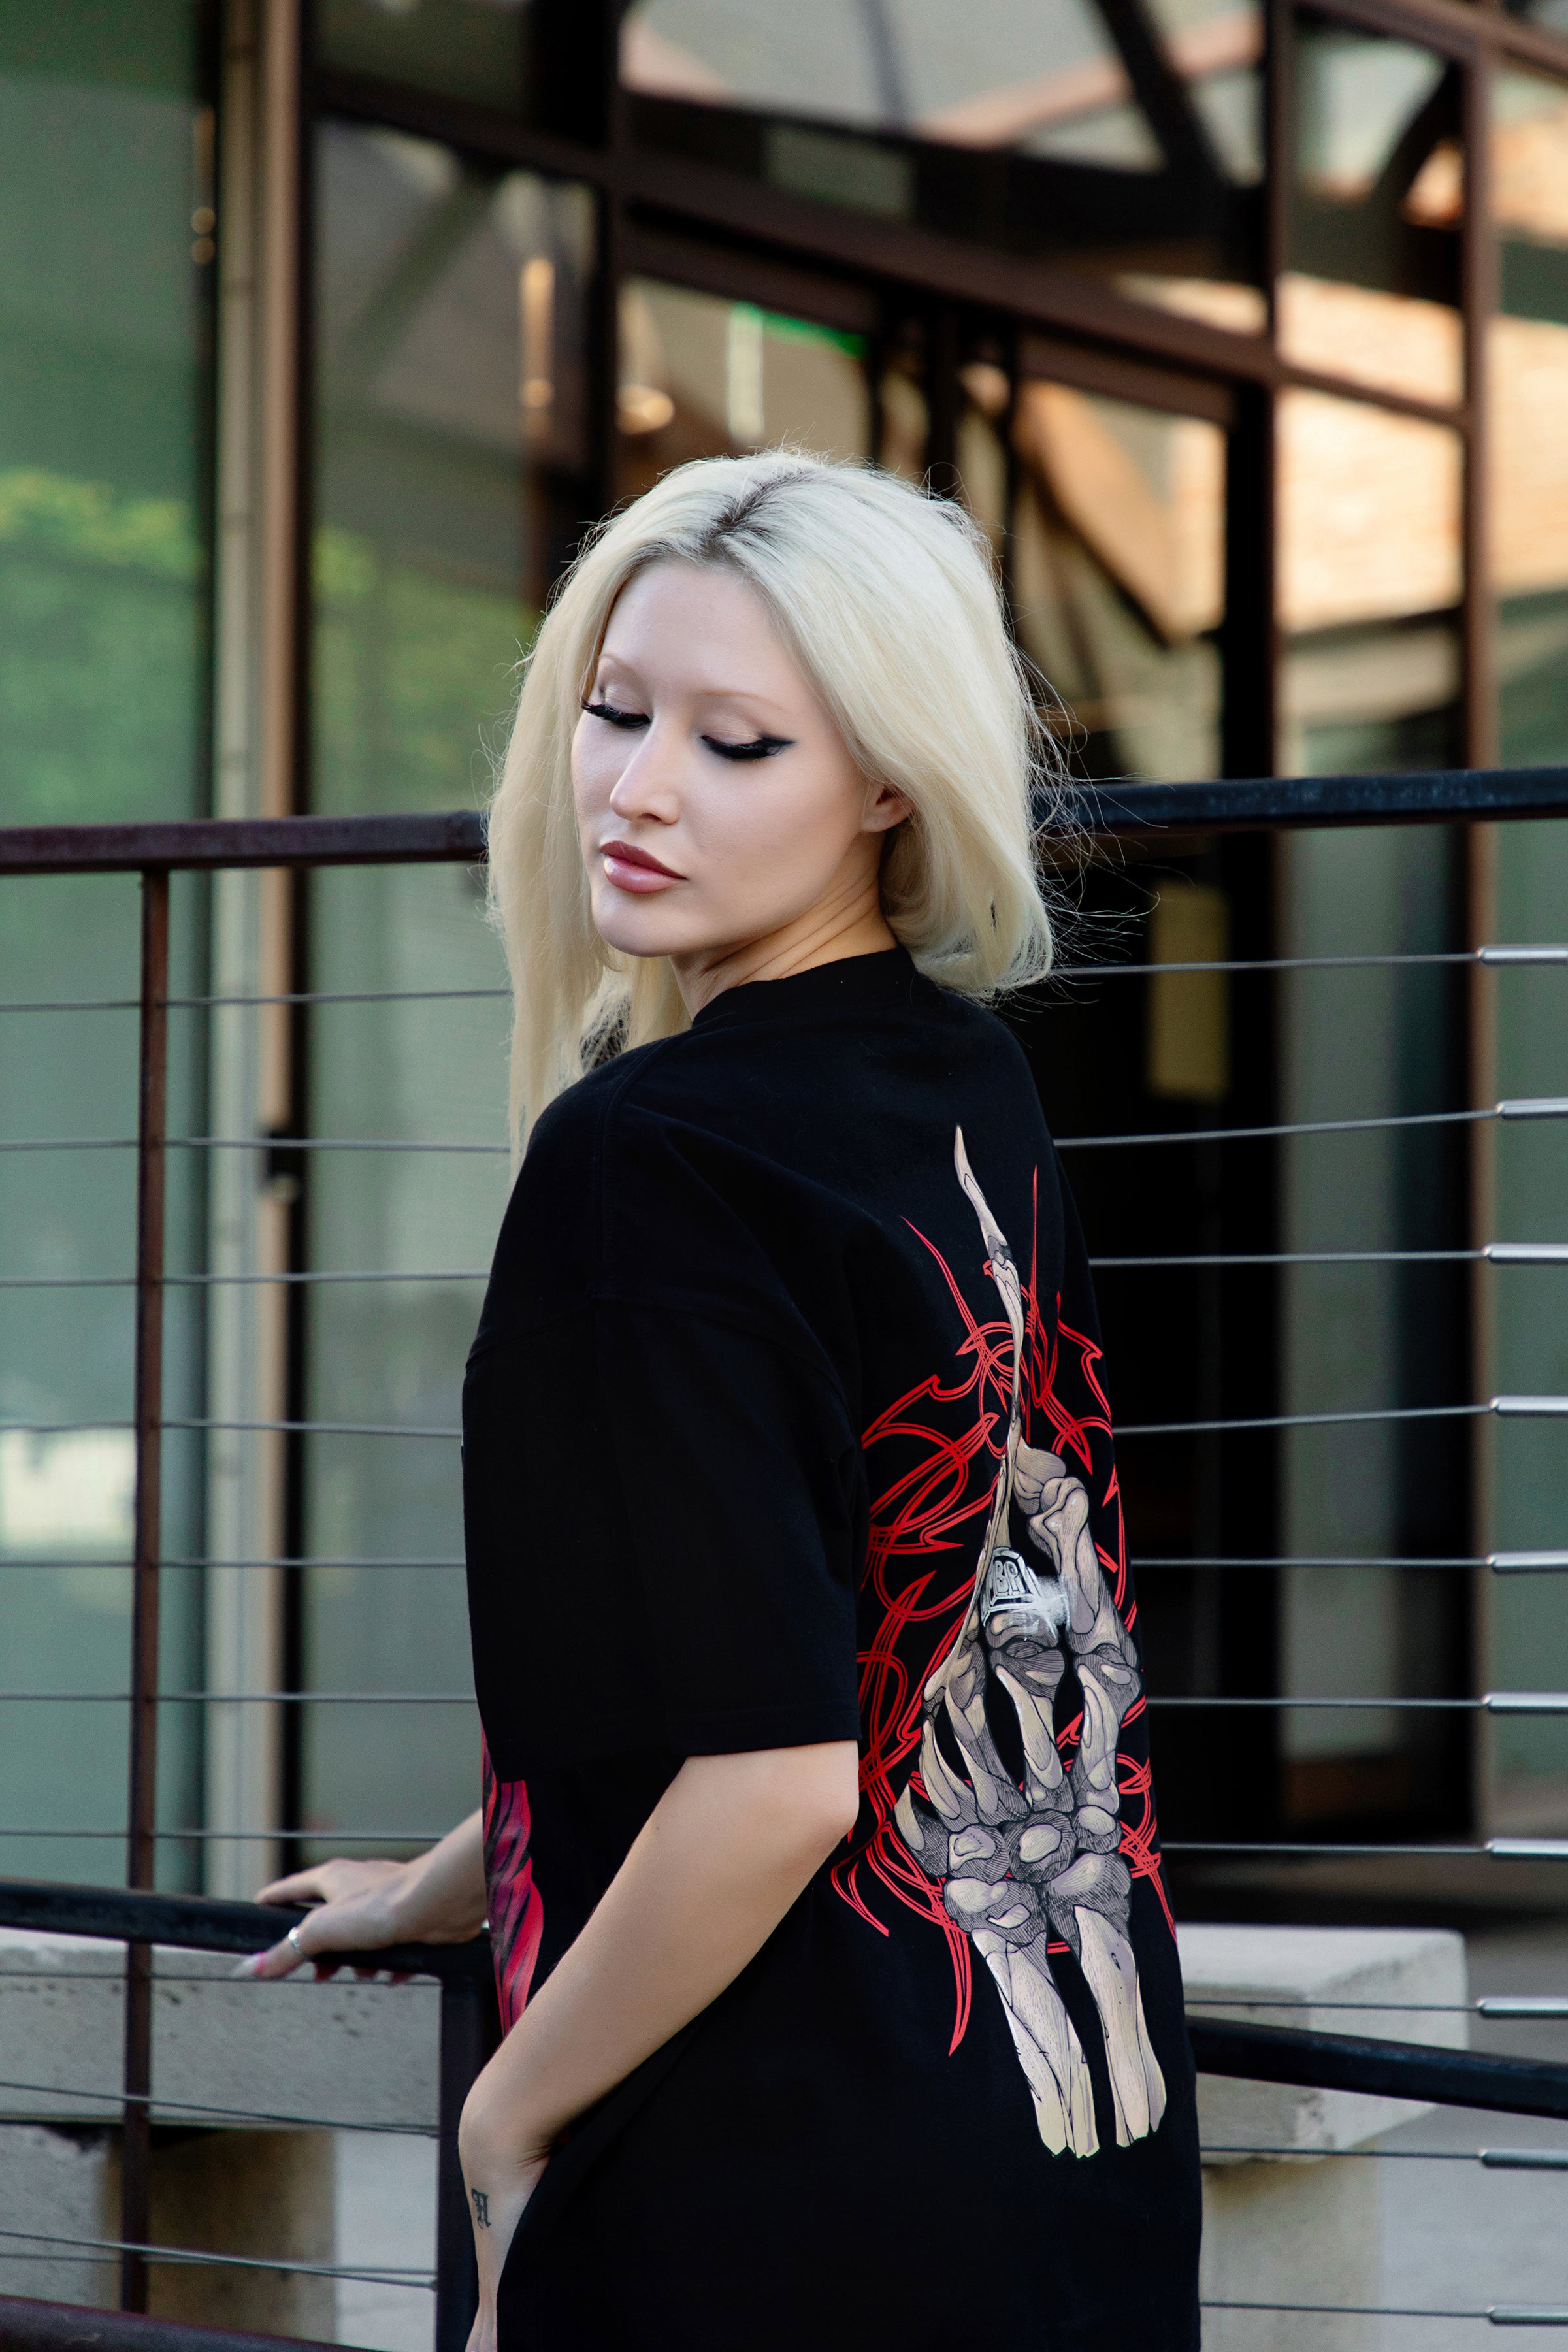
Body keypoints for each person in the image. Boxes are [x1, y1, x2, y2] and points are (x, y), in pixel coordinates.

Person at [240, 451, 1202, 2349]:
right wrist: (463, 1877)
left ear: (889, 784)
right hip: (1064, 2164)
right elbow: (855, 1635)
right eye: (614, 711)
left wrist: (509, 2121)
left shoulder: (650, 1157)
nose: (638, 788)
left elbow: (772, 1779)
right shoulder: (961, 1080)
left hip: (766, 2177)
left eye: (738, 741)